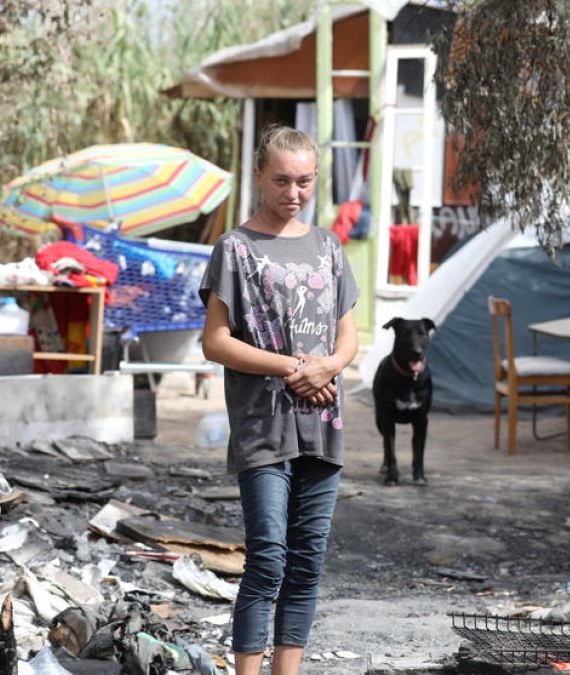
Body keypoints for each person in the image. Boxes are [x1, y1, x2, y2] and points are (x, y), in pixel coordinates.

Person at [199, 125, 358, 675]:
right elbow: (215, 341)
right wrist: (295, 367)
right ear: (260, 177)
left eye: (306, 181)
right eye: (283, 180)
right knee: (267, 558)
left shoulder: (329, 247)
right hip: (261, 425)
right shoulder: (234, 249)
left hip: (323, 421)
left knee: (307, 562)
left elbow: (349, 336)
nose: (294, 192)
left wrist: (329, 366)